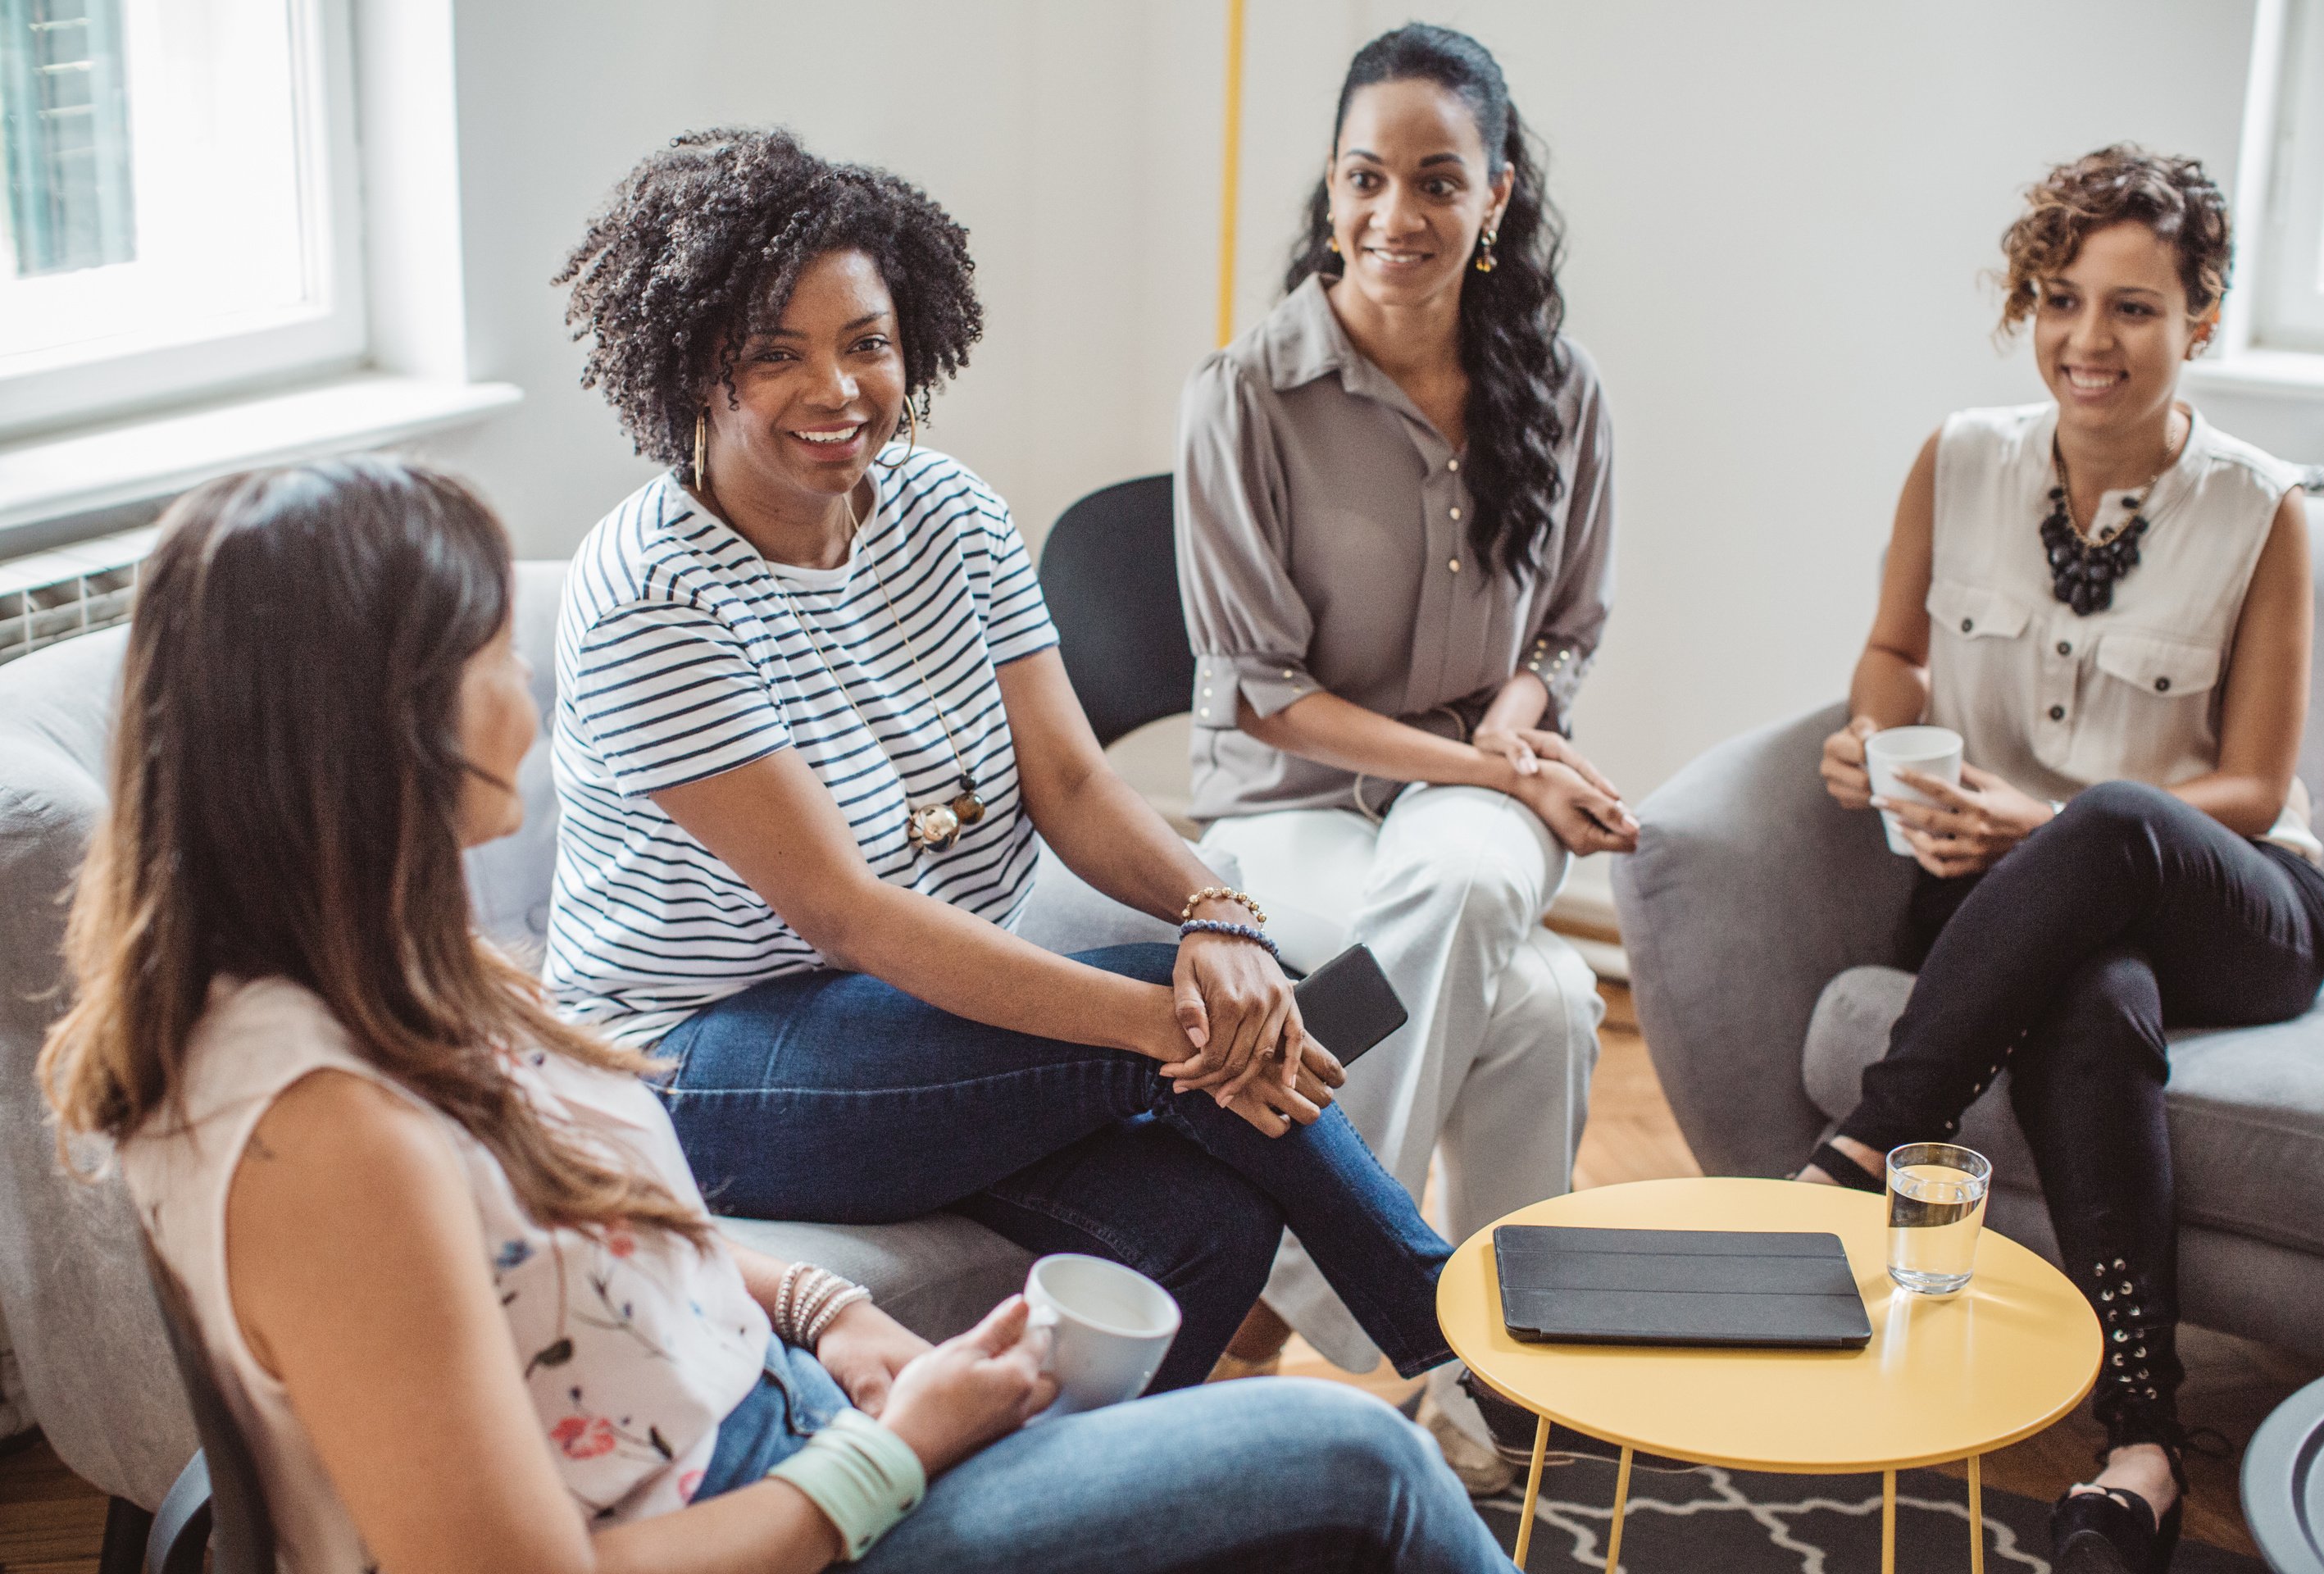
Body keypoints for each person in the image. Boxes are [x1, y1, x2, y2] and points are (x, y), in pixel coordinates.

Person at [39, 457, 1519, 1574]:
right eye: (493, 659)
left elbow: (587, 1222)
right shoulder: (318, 1135)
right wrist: (897, 1448)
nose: (528, 704)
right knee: (1356, 1461)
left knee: (1204, 1232)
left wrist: (837, 1316)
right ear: (371, 723)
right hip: (796, 1512)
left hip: (811, 1416)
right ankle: (1482, 1364)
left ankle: (1474, 1367)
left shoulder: (390, 973)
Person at [543, 127, 1476, 1408]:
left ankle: (1085, 1512)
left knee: (1208, 1222)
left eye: (866, 342)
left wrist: (1223, 916)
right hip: (697, 1070)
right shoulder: (651, 594)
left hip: (912, 1040)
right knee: (1183, 1035)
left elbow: (1076, 787)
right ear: (694, 364)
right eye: (777, 353)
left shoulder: (948, 512)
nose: (838, 389)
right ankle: (1473, 1356)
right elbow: (847, 916)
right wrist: (1180, 1016)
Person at [1808, 146, 2324, 1574]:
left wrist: (2045, 828)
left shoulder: (2257, 506)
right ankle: (2143, 1447)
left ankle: (1862, 1147)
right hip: (2024, 913)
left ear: (2202, 320)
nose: (2086, 342)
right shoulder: (1963, 457)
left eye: (2131, 309)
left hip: (2241, 903)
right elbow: (1891, 652)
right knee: (2092, 1001)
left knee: (2109, 821)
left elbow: (2246, 780)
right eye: (2058, 300)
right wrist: (1873, 739)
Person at [1173, 22, 1630, 1488]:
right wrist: (1505, 773)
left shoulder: (1561, 393)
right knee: (1553, 1000)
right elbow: (1264, 699)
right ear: (1330, 186)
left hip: (1467, 791)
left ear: (1497, 198)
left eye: (1439, 181)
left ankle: (1269, 1289)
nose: (1396, 216)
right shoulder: (1243, 394)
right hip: (1287, 800)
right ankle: (1471, 1369)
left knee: (1472, 899)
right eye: (1367, 177)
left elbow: (1567, 627)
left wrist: (1519, 713)